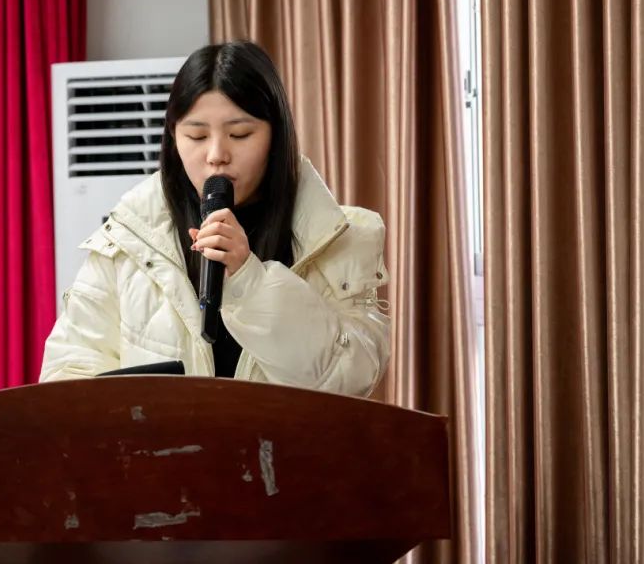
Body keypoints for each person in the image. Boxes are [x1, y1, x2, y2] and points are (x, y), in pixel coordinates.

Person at [40, 41, 391, 397]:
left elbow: (351, 380)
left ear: (276, 135)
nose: (216, 154)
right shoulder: (127, 240)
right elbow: (65, 379)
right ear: (173, 137)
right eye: (196, 135)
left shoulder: (340, 238)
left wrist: (250, 280)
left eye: (240, 135)